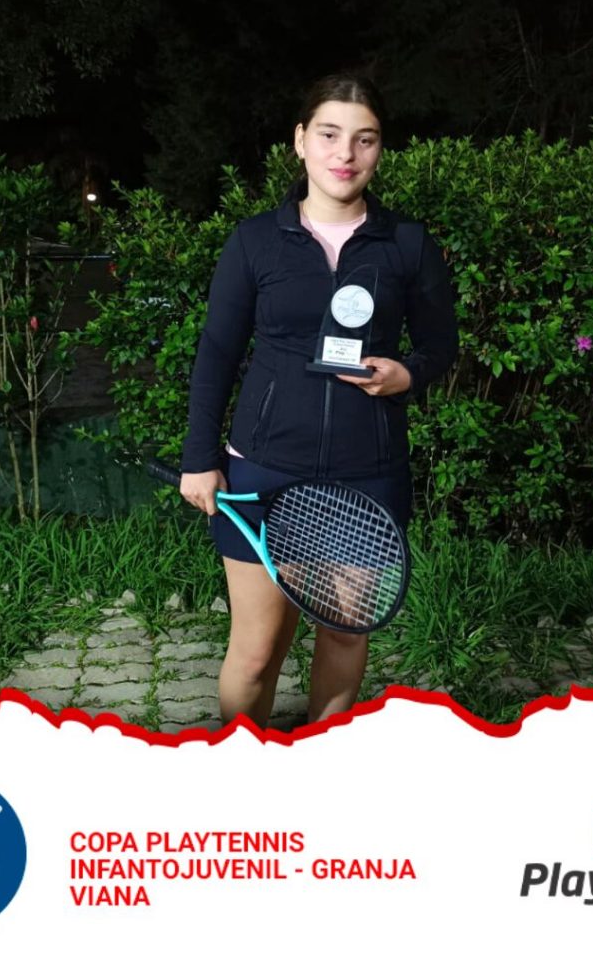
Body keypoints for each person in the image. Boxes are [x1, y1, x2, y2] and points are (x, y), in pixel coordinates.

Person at [179, 73, 458, 727]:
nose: (346, 154)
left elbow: (441, 345)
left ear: (379, 149)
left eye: (365, 139)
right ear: (301, 140)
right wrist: (199, 458)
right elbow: (216, 352)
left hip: (368, 475)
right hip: (263, 471)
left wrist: (407, 374)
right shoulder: (254, 240)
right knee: (257, 652)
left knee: (344, 635)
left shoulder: (406, 243)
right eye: (330, 135)